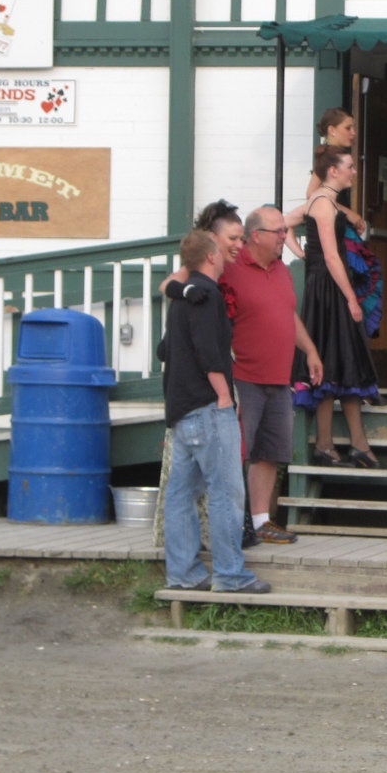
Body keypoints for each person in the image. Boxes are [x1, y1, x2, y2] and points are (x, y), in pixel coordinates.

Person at [160, 230, 269, 595]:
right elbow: (208, 351)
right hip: (209, 408)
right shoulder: (206, 295)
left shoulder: (182, 298)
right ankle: (231, 575)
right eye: (221, 249)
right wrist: (224, 395)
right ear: (210, 257)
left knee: (180, 495)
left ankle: (183, 574)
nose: (226, 253)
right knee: (225, 493)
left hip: (181, 409)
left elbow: (164, 349)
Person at [217, 206, 324, 545]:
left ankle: (261, 521)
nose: (284, 236)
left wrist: (310, 351)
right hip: (242, 377)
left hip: (279, 378)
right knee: (237, 452)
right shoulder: (229, 267)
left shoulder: (280, 270)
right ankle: (233, 523)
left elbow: (287, 314)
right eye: (278, 231)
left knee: (270, 452)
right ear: (256, 236)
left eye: (284, 230)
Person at [153, 200, 246, 549]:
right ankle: (222, 559)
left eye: (242, 238)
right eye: (233, 238)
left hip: (205, 376)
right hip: (203, 387)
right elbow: (167, 286)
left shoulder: (225, 271)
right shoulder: (201, 277)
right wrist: (189, 290)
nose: (239, 244)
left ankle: (195, 557)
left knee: (197, 484)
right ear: (212, 242)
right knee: (216, 484)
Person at [292, 146, 383, 469]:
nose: (353, 172)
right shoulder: (322, 204)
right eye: (349, 166)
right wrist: (350, 298)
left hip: (328, 288)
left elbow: (284, 223)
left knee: (344, 359)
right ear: (333, 171)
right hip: (328, 291)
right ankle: (327, 444)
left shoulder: (322, 201)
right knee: (332, 360)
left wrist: (300, 251)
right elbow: (332, 257)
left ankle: (353, 445)